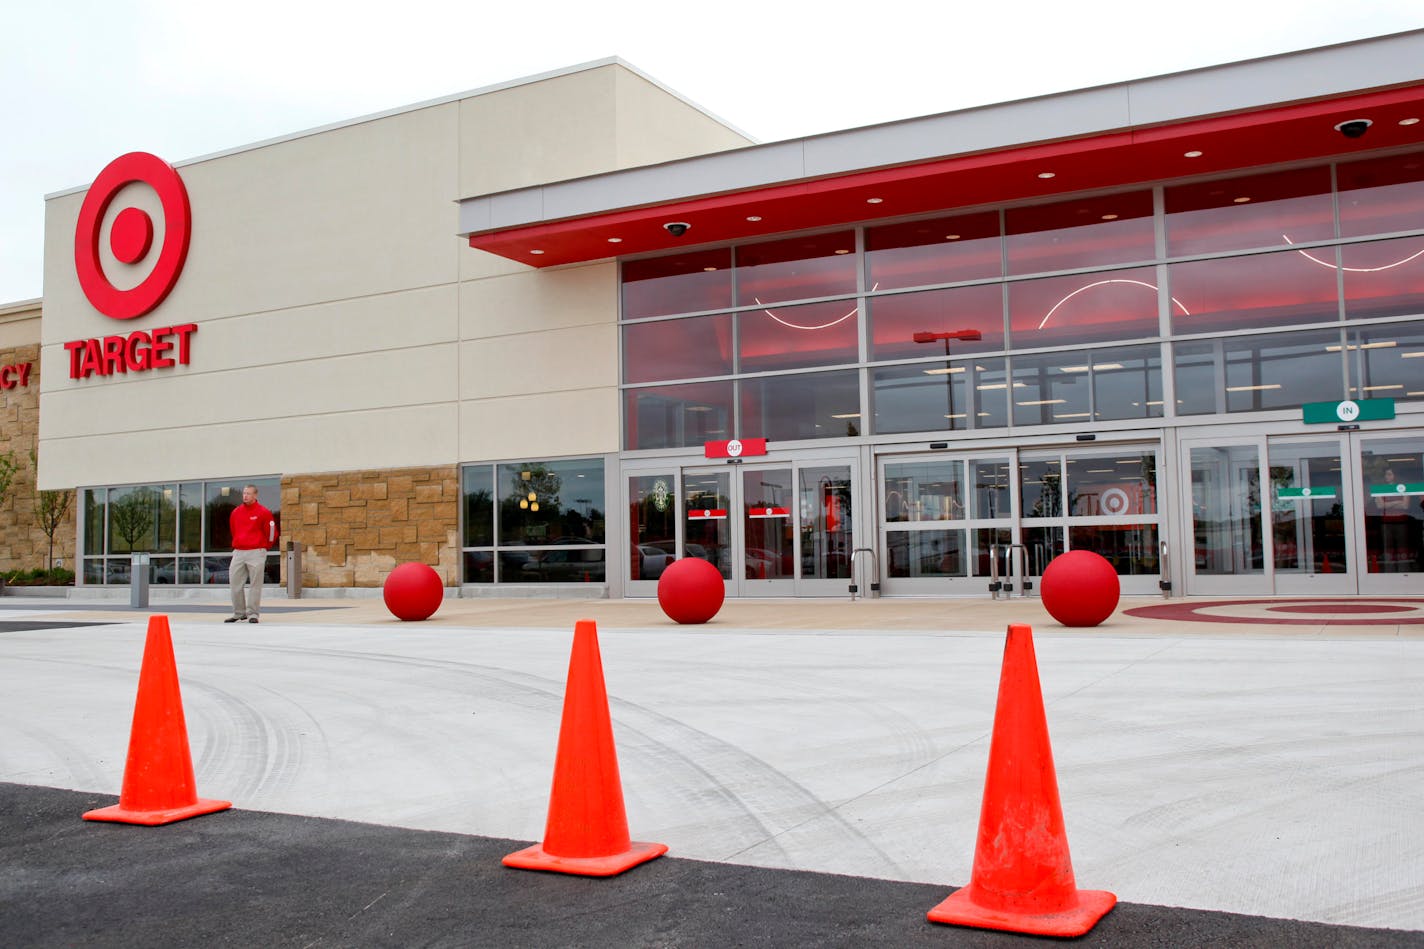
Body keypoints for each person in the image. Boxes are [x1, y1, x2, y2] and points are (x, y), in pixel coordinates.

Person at [226, 484, 276, 623]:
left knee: (255, 585)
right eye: (244, 493)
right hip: (239, 552)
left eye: (248, 493)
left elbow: (271, 532)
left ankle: (253, 614)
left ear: (255, 496)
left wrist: (265, 547)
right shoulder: (236, 512)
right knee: (235, 583)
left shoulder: (263, 512)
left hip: (256, 552)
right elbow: (234, 530)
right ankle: (239, 613)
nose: (245, 496)